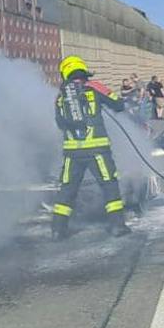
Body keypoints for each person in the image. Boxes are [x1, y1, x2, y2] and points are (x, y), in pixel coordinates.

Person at [52, 55, 129, 238]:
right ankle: (117, 226)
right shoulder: (94, 88)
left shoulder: (61, 97)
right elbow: (118, 104)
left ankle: (57, 230)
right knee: (109, 185)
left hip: (72, 153)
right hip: (98, 150)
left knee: (68, 189)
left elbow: (59, 123)